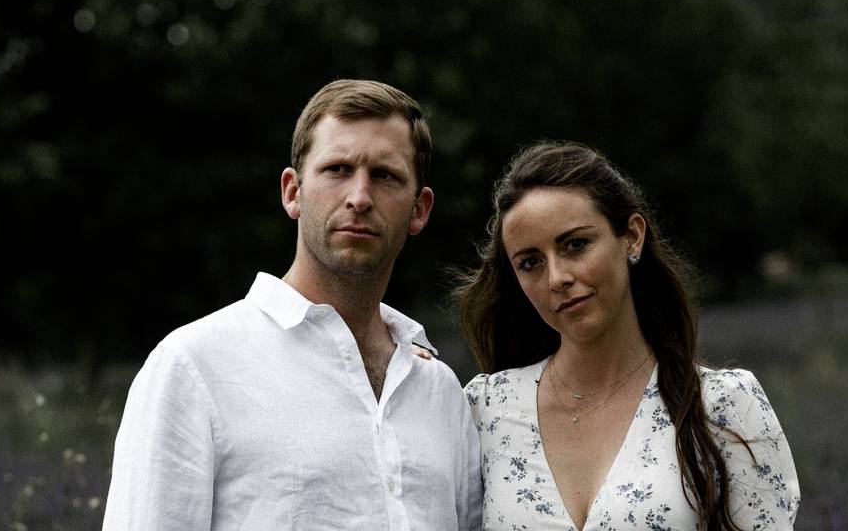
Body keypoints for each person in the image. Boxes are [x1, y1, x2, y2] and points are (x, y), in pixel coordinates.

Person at [103, 79, 482, 530]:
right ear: (292, 192)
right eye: (337, 169)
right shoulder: (194, 367)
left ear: (420, 209)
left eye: (385, 176)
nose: (359, 197)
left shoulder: (440, 393)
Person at [457, 140, 799, 530]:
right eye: (530, 262)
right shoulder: (486, 410)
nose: (557, 278)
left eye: (575, 244)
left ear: (632, 236)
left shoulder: (721, 407)